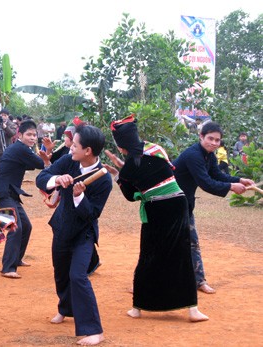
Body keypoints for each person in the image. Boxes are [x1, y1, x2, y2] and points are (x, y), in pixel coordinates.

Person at [104, 115, 208, 323]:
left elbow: (130, 195)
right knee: (181, 254)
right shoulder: (156, 149)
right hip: (178, 204)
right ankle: (192, 309)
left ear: (121, 145)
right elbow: (161, 172)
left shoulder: (129, 168)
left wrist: (118, 174)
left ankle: (138, 308)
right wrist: (125, 172)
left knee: (149, 257)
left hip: (156, 209)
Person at [36, 124, 112, 346]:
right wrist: (56, 180)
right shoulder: (70, 161)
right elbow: (44, 176)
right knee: (61, 274)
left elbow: (91, 215)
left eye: (74, 145)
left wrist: (79, 196)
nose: (70, 148)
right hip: (61, 226)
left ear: (87, 150)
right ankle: (65, 309)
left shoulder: (103, 180)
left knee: (78, 276)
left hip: (83, 233)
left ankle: (94, 330)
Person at [173, 122, 254, 294]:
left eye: (217, 140)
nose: (214, 143)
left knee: (192, 243)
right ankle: (141, 284)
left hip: (184, 204)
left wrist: (239, 180)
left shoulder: (209, 155)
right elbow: (206, 183)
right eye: (210, 138)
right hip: (168, 205)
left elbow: (216, 174)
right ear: (201, 137)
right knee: (162, 245)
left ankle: (199, 281)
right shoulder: (193, 155)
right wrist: (231, 187)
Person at [0, 120, 50, 279]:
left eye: (34, 135)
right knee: (16, 227)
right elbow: (40, 163)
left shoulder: (20, 149)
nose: (32, 138)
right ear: (19, 135)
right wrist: (48, 152)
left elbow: (32, 164)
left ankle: (17, 259)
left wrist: (45, 154)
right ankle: (8, 267)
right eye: (29, 134)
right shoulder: (20, 148)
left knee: (26, 226)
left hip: (10, 193)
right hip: (3, 192)